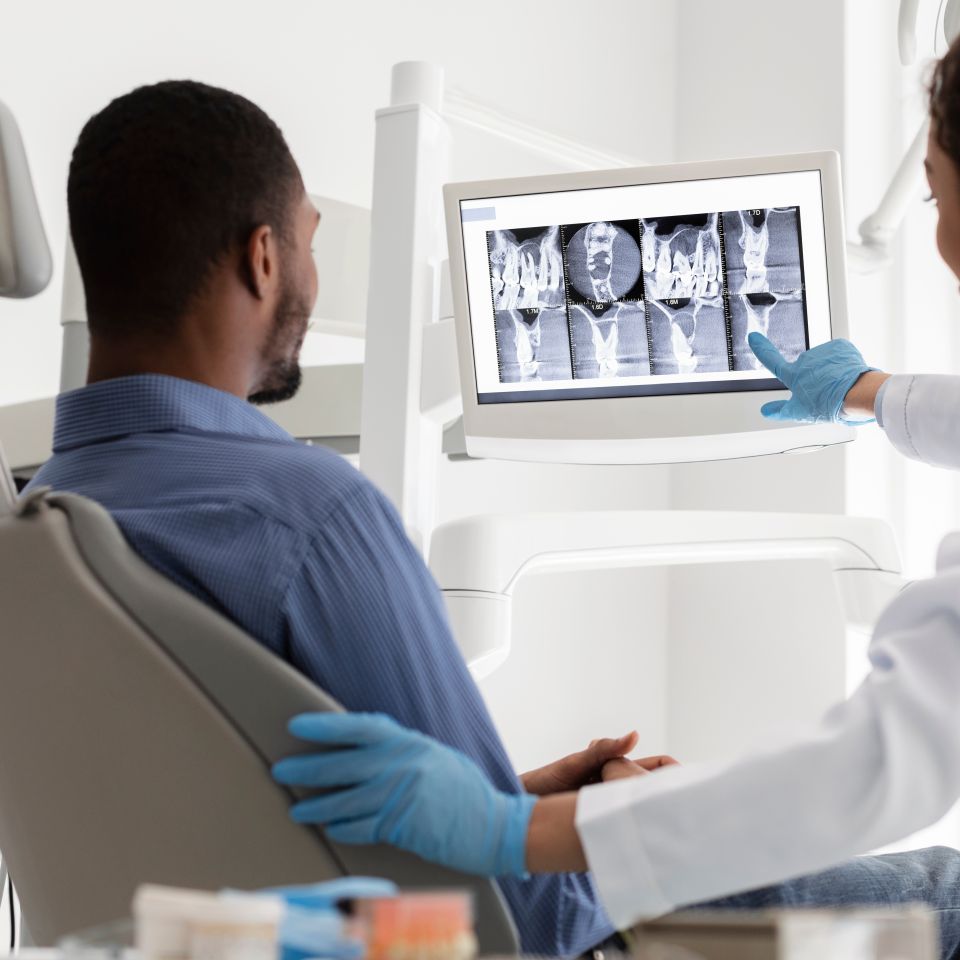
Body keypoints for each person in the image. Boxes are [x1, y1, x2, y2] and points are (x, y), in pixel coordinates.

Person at [29, 78, 960, 960]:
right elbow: (532, 917)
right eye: (312, 242)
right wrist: (599, 820)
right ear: (264, 257)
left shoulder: (33, 529)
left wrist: (509, 807)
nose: (942, 239)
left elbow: (229, 830)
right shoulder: (310, 520)